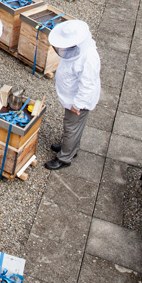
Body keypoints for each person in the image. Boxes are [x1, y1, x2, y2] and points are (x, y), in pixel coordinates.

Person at [45, 19, 100, 170]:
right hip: (72, 98)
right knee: (75, 126)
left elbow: (88, 85)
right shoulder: (79, 48)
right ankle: (71, 149)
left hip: (77, 101)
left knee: (71, 127)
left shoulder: (88, 58)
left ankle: (64, 158)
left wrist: (77, 104)